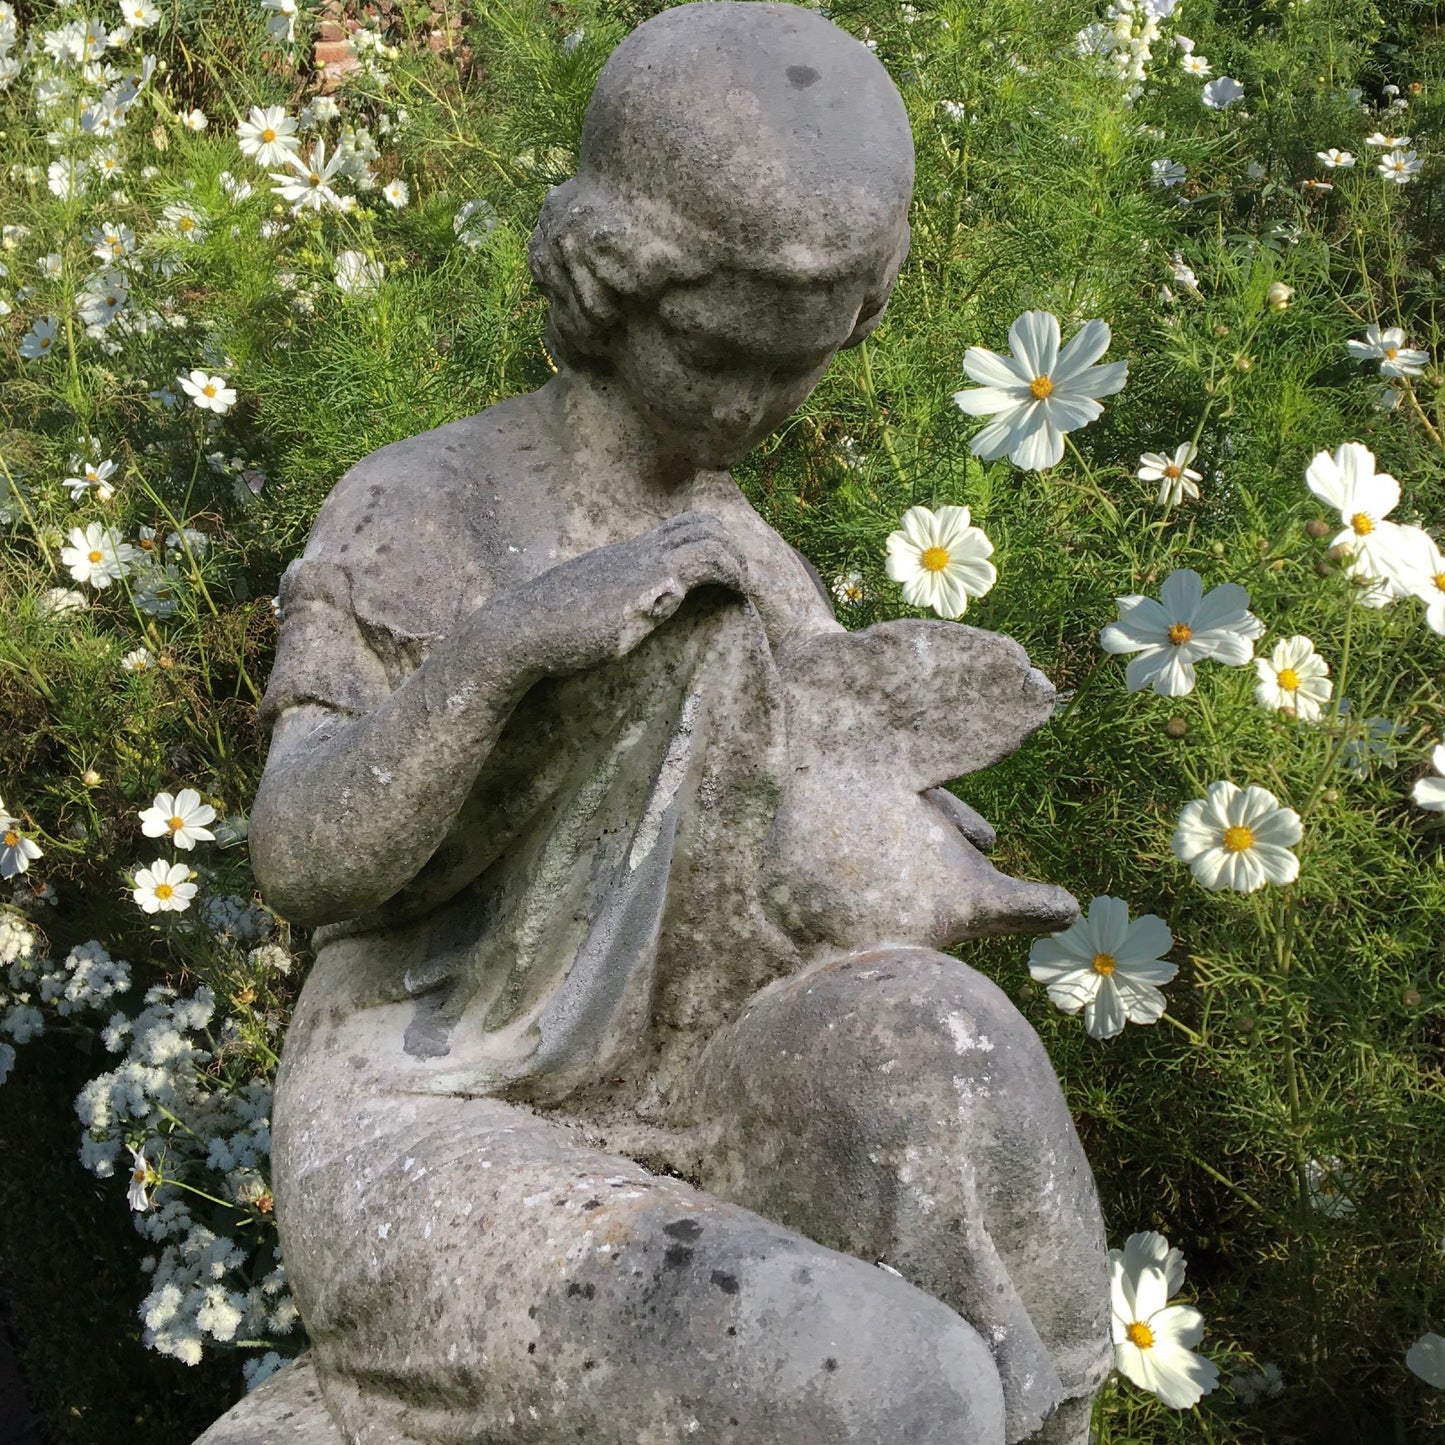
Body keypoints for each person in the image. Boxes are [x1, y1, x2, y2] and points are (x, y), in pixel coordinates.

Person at [247, 6, 1110, 1441]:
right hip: (438, 1116)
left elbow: (801, 879)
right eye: (713, 351)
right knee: (901, 1392)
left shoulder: (748, 551)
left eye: (798, 363)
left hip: (703, 1067)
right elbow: (301, 850)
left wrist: (916, 861)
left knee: (955, 1050)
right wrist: (509, 647)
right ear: (606, 285)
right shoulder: (422, 505)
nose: (749, 404)